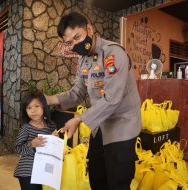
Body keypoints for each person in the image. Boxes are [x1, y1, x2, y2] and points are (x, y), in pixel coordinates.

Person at [46, 12, 142, 190]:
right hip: (100, 125)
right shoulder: (83, 60)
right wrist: (48, 99)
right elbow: (77, 92)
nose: (75, 44)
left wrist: (79, 119)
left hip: (122, 126)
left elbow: (112, 99)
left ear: (89, 29)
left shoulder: (113, 53)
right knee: (97, 177)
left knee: (118, 181)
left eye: (77, 37)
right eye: (70, 42)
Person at [14, 90, 58, 190]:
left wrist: (55, 139)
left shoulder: (51, 125)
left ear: (44, 106)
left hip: (45, 170)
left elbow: (53, 148)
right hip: (28, 171)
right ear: (25, 111)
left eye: (36, 106)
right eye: (29, 107)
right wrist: (32, 144)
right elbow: (17, 148)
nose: (33, 110)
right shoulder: (26, 128)